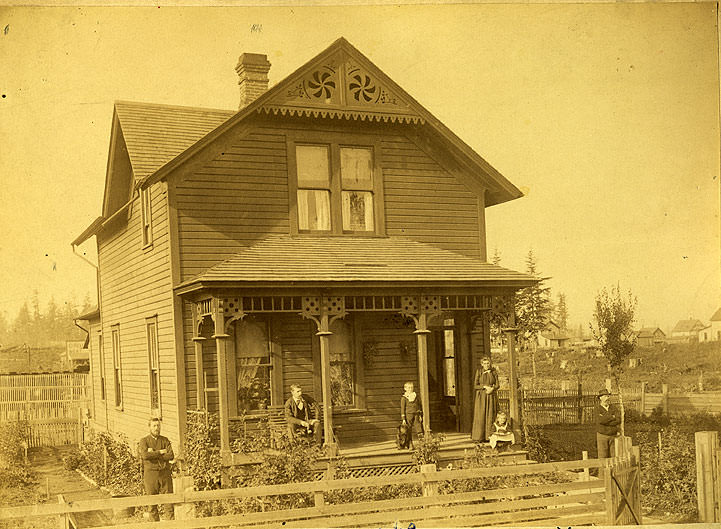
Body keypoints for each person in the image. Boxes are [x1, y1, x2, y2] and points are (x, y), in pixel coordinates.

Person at [138, 417, 174, 521]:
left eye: (158, 425)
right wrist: (160, 452)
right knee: (152, 505)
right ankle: (154, 526)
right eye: (154, 426)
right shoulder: (144, 441)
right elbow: (145, 456)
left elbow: (171, 455)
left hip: (164, 474)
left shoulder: (165, 440)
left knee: (169, 503)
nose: (156, 428)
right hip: (151, 475)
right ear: (149, 427)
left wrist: (152, 453)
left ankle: (170, 526)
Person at [471, 356, 499, 442]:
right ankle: (479, 437)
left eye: (488, 363)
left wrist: (492, 389)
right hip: (481, 397)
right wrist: (484, 387)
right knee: (481, 415)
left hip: (491, 396)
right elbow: (475, 385)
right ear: (482, 364)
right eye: (484, 363)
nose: (486, 365)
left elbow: (498, 385)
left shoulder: (494, 372)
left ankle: (489, 436)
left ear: (490, 364)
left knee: (490, 414)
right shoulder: (479, 372)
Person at [596, 388, 620, 458]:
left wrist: (606, 420)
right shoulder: (597, 408)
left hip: (613, 435)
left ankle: (612, 469)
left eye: (608, 396)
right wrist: (612, 417)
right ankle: (602, 469)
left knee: (614, 457)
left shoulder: (613, 408)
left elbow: (618, 420)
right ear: (600, 398)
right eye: (605, 396)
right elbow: (600, 420)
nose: (607, 398)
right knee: (602, 456)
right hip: (602, 435)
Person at [400, 381, 423, 450]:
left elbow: (419, 405)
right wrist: (403, 419)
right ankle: (410, 444)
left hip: (416, 414)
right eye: (409, 388)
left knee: (418, 427)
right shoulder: (404, 398)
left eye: (412, 387)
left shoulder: (415, 396)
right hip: (408, 415)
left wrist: (420, 415)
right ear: (405, 389)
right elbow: (402, 408)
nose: (410, 389)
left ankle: (422, 443)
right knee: (409, 429)